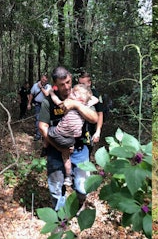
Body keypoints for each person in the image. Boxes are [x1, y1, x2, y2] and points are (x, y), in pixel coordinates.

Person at [38, 66, 98, 211]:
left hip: (80, 148)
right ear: (55, 84)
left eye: (68, 82)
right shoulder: (49, 102)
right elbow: (42, 127)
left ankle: (80, 205)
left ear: (71, 78)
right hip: (56, 148)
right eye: (61, 84)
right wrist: (60, 147)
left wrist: (76, 104)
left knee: (82, 186)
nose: (66, 87)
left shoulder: (81, 95)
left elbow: (94, 118)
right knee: (56, 187)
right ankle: (60, 218)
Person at [47, 84, 99, 186]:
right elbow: (95, 99)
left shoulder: (77, 106)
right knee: (66, 157)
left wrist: (51, 92)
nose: (70, 93)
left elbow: (56, 100)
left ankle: (68, 177)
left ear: (80, 99)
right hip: (72, 139)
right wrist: (82, 99)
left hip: (61, 135)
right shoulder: (79, 105)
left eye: (74, 93)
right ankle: (68, 177)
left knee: (49, 133)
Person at [78, 71, 104, 150]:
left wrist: (98, 131)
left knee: (88, 149)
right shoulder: (76, 93)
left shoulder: (95, 94)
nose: (81, 86)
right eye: (79, 84)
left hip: (89, 128)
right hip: (77, 128)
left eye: (83, 84)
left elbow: (100, 114)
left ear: (89, 83)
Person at [28, 74, 52, 141]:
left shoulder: (48, 86)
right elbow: (31, 94)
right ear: (41, 78)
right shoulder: (35, 85)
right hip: (37, 104)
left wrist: (41, 87)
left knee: (45, 120)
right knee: (37, 119)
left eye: (45, 80)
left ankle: (45, 135)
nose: (44, 80)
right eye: (43, 79)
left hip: (45, 105)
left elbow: (47, 94)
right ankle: (38, 135)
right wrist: (29, 104)